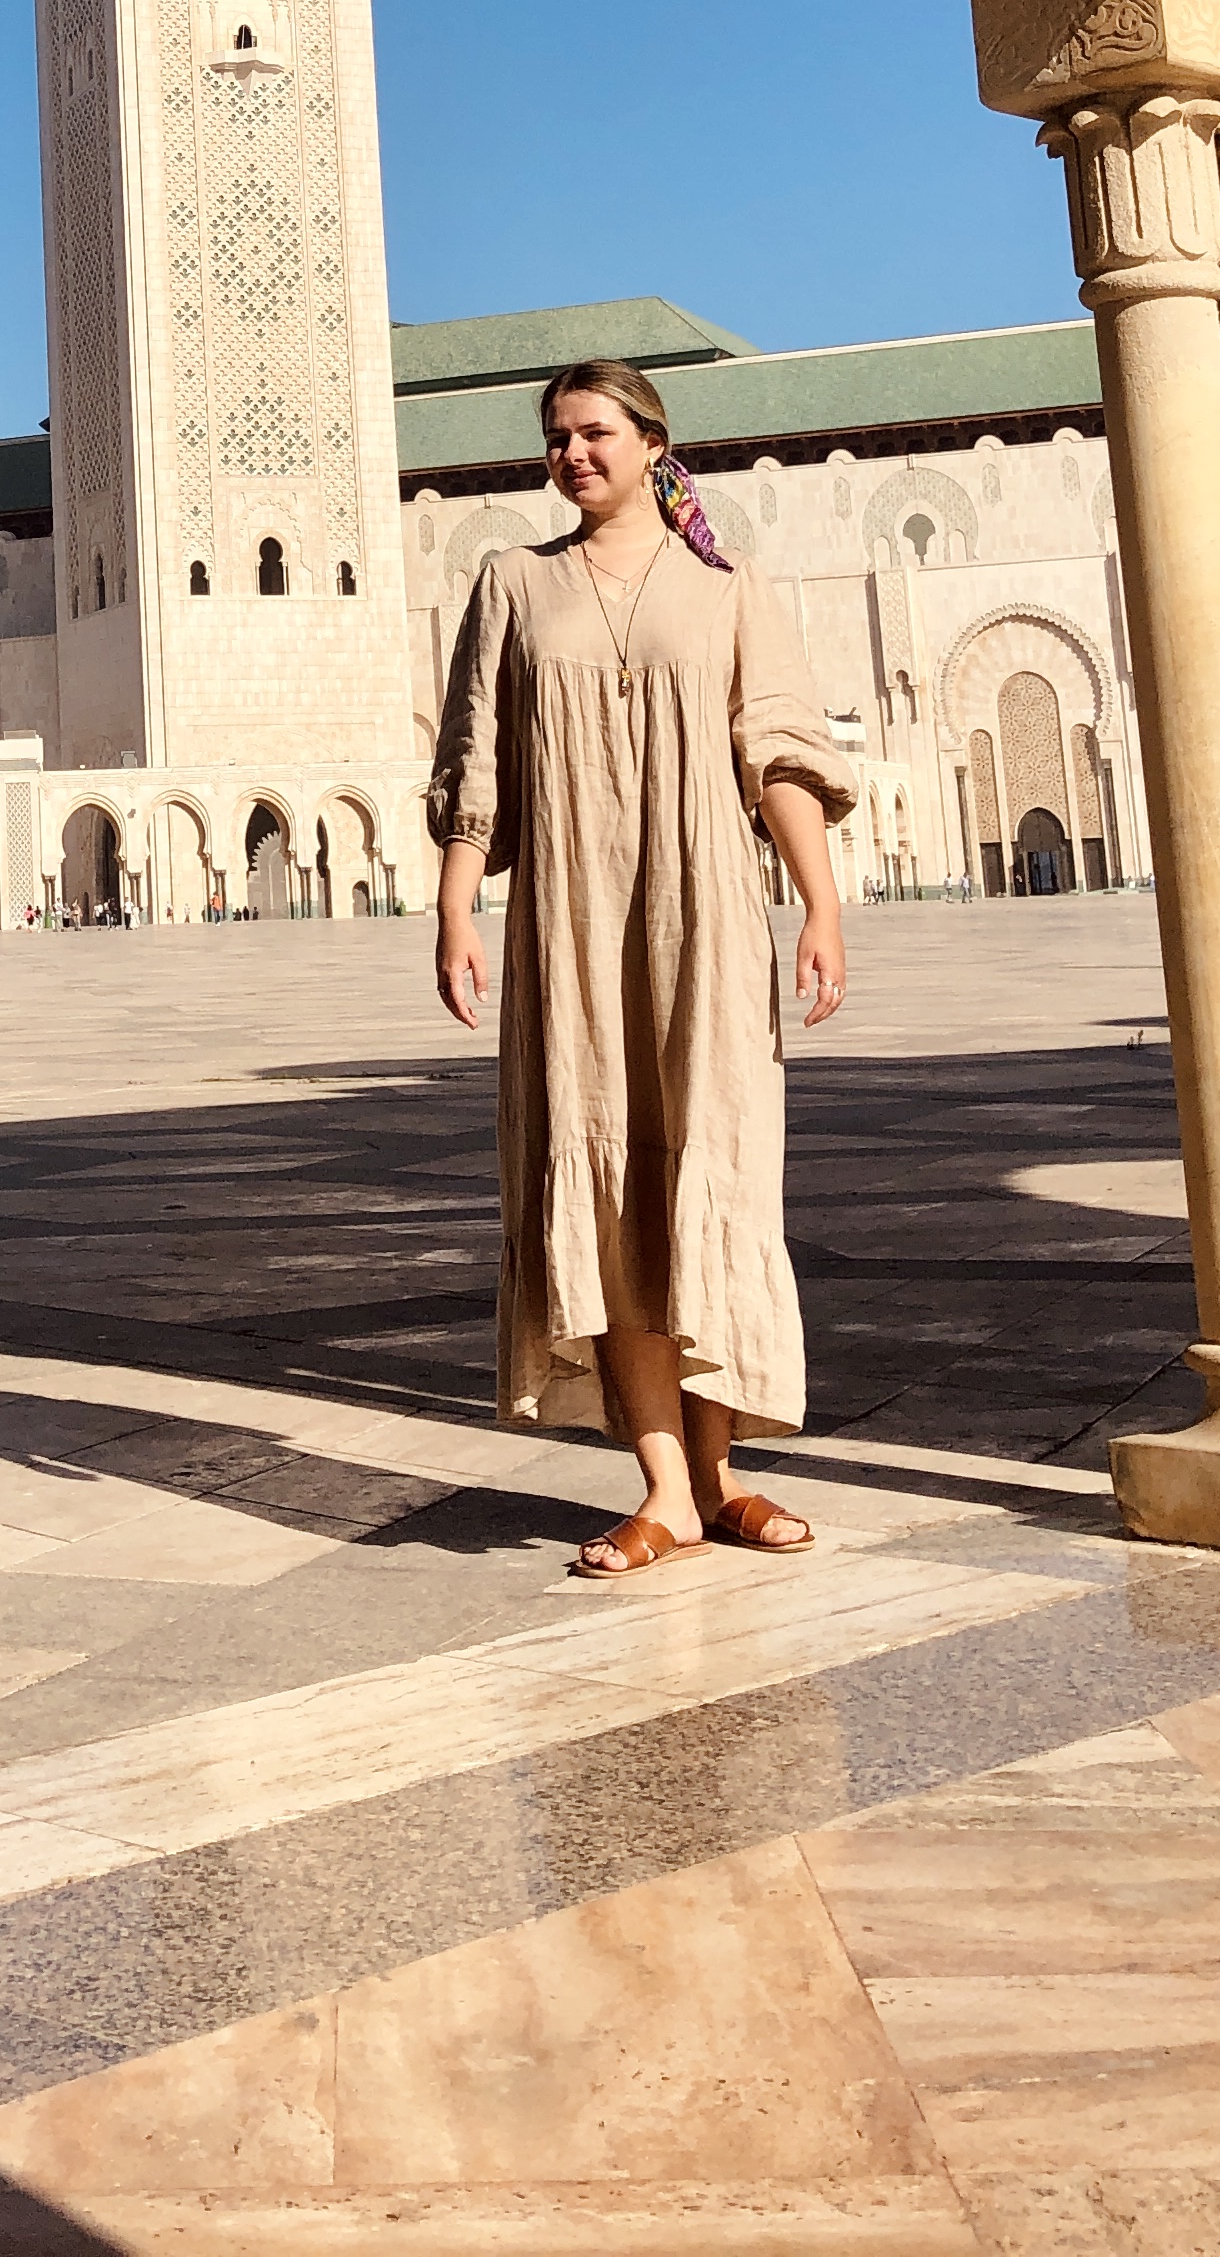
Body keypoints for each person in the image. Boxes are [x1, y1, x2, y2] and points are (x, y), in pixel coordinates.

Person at [430, 356, 856, 1576]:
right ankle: (667, 1485)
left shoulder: (727, 590)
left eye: (595, 433)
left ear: (653, 444)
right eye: (556, 438)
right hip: (570, 931)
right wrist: (458, 914)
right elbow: (479, 770)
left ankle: (720, 1480)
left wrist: (820, 909)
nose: (572, 455)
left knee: (709, 1174)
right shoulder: (515, 583)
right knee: (613, 1194)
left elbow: (777, 758)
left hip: (704, 925)